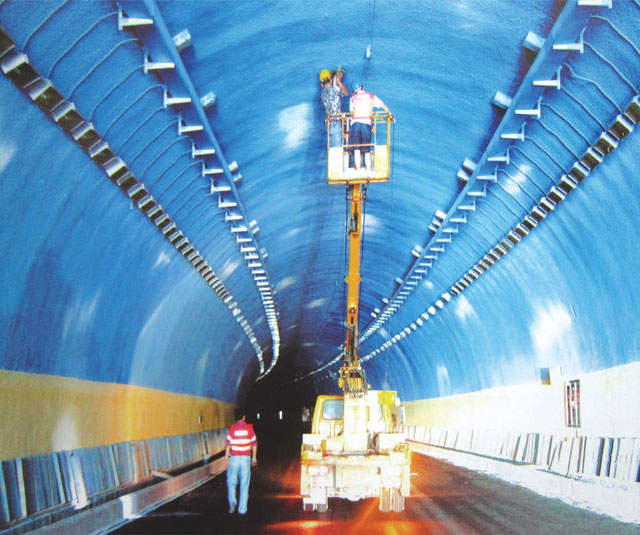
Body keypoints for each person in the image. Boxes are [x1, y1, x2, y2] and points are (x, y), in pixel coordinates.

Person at [348, 82, 395, 173]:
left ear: (354, 91)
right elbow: (383, 105)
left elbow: (351, 111)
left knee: (357, 150)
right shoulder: (371, 96)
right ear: (362, 87)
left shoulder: (353, 98)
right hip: (366, 124)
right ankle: (368, 170)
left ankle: (358, 171)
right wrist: (390, 115)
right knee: (367, 150)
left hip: (355, 124)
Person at [225, 408, 258, 514]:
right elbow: (254, 443)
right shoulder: (249, 428)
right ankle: (242, 509)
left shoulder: (232, 429)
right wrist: (254, 457)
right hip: (245, 459)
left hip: (234, 458)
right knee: (244, 484)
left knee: (231, 481)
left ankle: (232, 502)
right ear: (244, 417)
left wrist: (226, 459)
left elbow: (228, 445)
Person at [319, 67, 348, 147]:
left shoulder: (322, 93)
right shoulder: (335, 90)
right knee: (337, 147)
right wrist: (339, 82)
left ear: (321, 84)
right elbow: (345, 93)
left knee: (331, 147)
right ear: (331, 80)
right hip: (336, 122)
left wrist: (334, 81)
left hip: (328, 122)